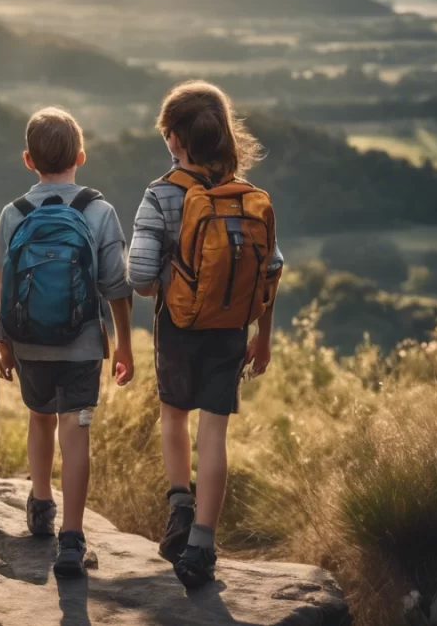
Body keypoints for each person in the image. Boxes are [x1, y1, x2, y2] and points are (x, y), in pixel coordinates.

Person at [128, 81, 283, 590]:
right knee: (214, 433)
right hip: (232, 329)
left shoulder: (161, 193)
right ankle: (202, 545)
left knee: (174, 415)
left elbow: (141, 277)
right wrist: (263, 336)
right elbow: (272, 270)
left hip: (179, 325)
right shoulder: (249, 198)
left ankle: (179, 503)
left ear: (174, 139)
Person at [0, 107, 134, 579]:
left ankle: (41, 505)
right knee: (76, 429)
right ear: (81, 156)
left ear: (28, 159)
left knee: (39, 418)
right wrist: (124, 345)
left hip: (28, 345)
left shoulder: (15, 212)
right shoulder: (100, 211)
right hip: (84, 345)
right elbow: (116, 287)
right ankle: (71, 539)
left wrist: (1, 339)